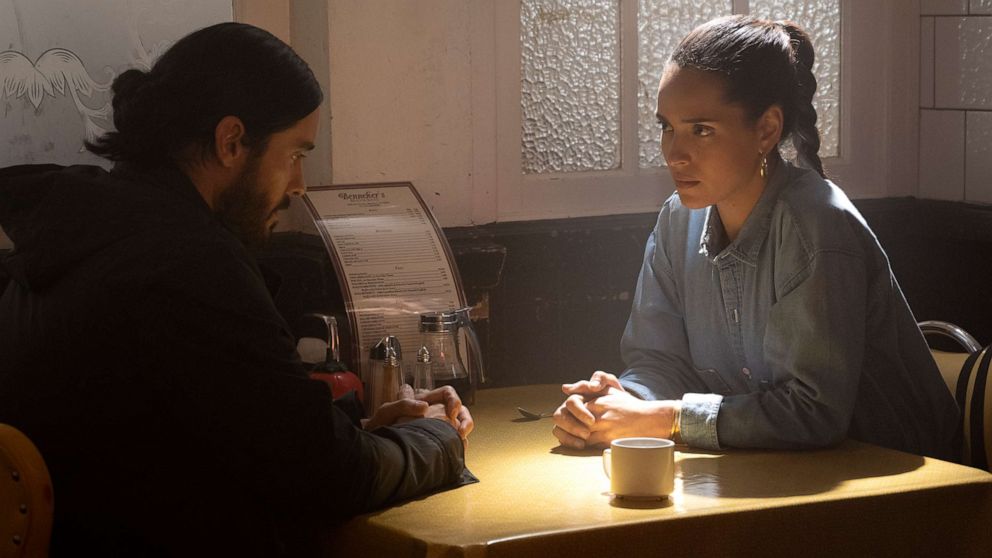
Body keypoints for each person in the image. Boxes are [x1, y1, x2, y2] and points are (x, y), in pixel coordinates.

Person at [0, 22, 473, 556]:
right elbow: (327, 479)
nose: (299, 184)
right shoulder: (186, 264)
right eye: (295, 154)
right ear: (231, 141)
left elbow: (219, 426)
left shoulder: (85, 231)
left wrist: (361, 427)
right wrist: (438, 440)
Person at [552, 15, 959, 461]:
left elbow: (813, 411)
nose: (674, 153)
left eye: (701, 130)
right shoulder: (676, 221)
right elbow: (659, 361)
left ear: (766, 129)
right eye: (666, 126)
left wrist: (663, 418)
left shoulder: (815, 224)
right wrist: (620, 400)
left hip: (905, 488)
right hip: (783, 473)